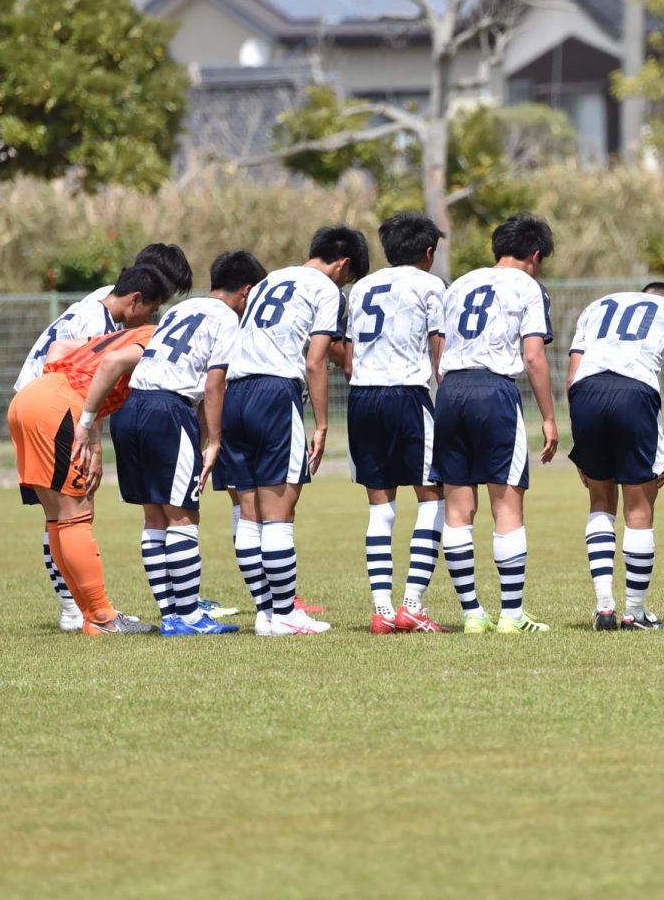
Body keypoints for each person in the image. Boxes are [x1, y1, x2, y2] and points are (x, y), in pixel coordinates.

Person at [12, 244, 192, 631]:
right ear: (138, 297)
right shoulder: (132, 331)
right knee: (75, 515)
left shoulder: (102, 304)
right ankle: (94, 614)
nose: (154, 316)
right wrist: (90, 437)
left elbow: (61, 350)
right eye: (153, 307)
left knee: (59, 516)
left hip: (31, 399)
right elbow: (103, 370)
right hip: (57, 407)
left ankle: (82, 610)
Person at [218, 225, 369, 635]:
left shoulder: (269, 280)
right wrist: (321, 424)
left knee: (249, 515)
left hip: (234, 393)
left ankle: (266, 613)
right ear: (343, 264)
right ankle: (285, 614)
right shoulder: (327, 291)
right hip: (274, 394)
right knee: (279, 513)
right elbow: (316, 361)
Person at [109, 250, 267, 636]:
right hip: (167, 409)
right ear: (246, 292)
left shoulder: (181, 309)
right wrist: (214, 441)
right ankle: (191, 616)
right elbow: (214, 385)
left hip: (131, 406)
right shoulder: (229, 321)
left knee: (153, 516)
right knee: (182, 515)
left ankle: (171, 615)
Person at [432, 214, 559, 634]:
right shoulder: (528, 286)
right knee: (506, 503)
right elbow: (535, 356)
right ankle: (511, 615)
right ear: (535, 255)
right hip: (494, 390)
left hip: (450, 390)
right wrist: (550, 418)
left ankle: (472, 615)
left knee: (458, 508)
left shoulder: (461, 283)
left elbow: (442, 346)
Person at [567, 281, 664, 630]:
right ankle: (635, 613)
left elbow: (573, 375)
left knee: (599, 502)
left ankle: (604, 607)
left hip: (585, 393)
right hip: (634, 391)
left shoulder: (598, 304)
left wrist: (579, 438)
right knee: (639, 507)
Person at [344, 212, 451, 634]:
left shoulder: (362, 287)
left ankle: (382, 610)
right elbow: (439, 347)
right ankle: (412, 603)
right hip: (406, 394)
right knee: (433, 497)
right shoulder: (429, 284)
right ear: (428, 252)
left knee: (380, 505)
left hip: (361, 397)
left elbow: (349, 358)